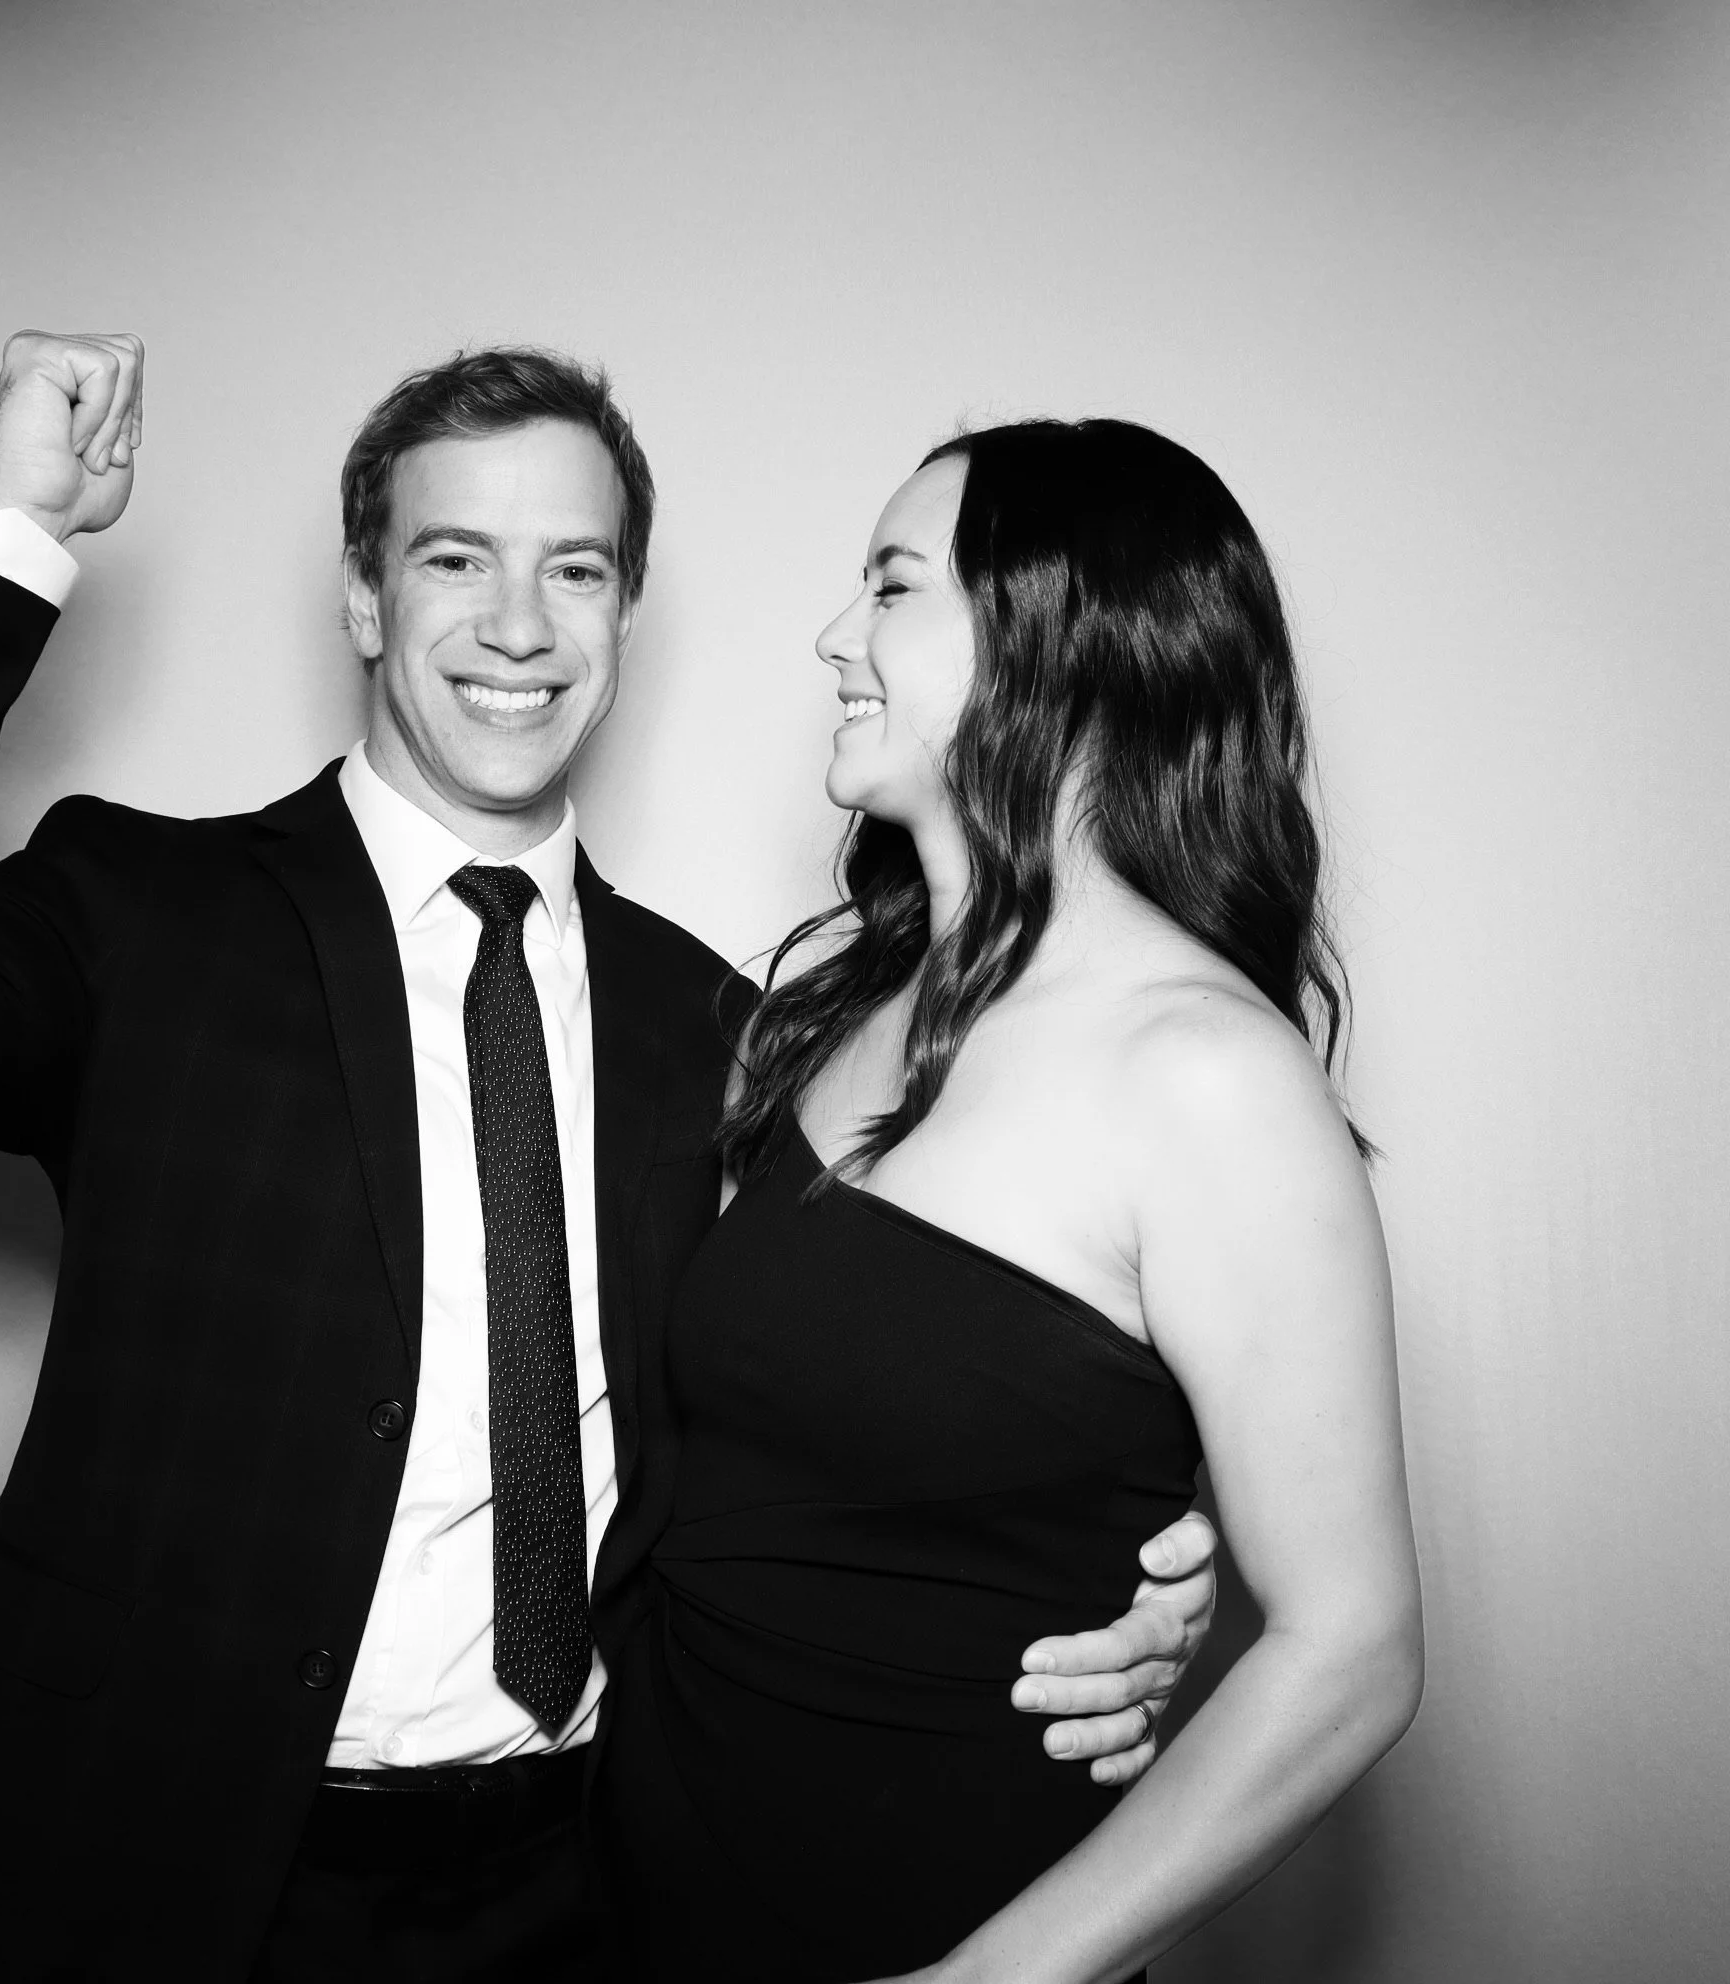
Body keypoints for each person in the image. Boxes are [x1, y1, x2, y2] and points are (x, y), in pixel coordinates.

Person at [0, 335, 1221, 1984]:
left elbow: (859, 1396)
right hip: (129, 1862)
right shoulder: (143, 915)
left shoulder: (729, 1030)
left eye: (573, 570)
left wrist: (1119, 1553)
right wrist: (11, 525)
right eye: (457, 560)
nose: (519, 626)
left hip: (579, 1887)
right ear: (367, 602)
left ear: (621, 617)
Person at [594, 420, 1425, 1982]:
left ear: (1058, 642)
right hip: (641, 1908)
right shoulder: (837, 1012)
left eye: (893, 587)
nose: (835, 636)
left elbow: (1352, 1653)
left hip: (927, 1926)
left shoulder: (1204, 1076)